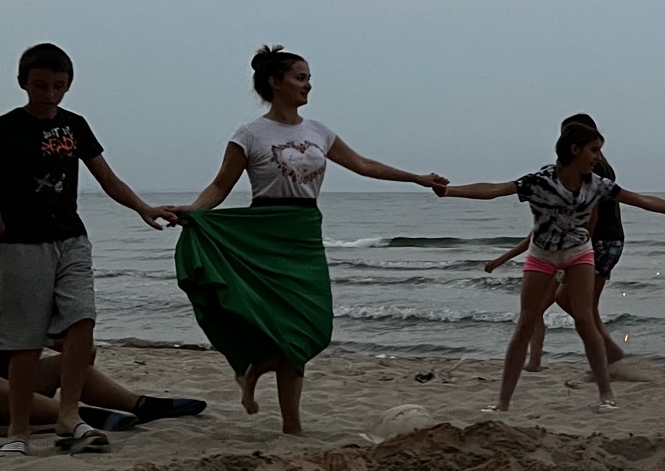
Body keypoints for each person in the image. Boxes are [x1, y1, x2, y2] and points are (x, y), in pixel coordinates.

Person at [156, 46, 447, 436]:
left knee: (311, 324)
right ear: (276, 82)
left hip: (304, 234)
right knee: (279, 327)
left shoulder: (318, 131)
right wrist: (193, 211)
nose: (308, 85)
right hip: (263, 235)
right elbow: (221, 186)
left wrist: (417, 178)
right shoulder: (249, 134)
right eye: (300, 77)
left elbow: (363, 165)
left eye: (309, 78)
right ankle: (292, 427)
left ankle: (257, 369)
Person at [0, 42, 176, 455]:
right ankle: (18, 431)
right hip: (22, 244)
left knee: (83, 321)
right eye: (40, 85)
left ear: (68, 84)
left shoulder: (74, 126)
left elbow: (107, 177)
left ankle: (69, 415)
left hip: (72, 238)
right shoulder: (3, 128)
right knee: (24, 341)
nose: (50, 94)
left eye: (59, 86)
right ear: (23, 83)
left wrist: (142, 208)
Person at [439, 117, 665, 412]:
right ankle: (502, 403)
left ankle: (606, 396)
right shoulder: (540, 181)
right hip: (542, 255)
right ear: (575, 149)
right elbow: (495, 189)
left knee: (585, 321)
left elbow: (640, 200)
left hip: (579, 253)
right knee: (525, 323)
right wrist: (449, 191)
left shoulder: (597, 184)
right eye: (594, 150)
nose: (598, 157)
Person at [0, 297, 205, 437]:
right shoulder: (8, 311)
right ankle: (78, 415)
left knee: (65, 363)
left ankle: (139, 404)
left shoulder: (28, 312)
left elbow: (81, 355)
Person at [483, 115, 629, 373]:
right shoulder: (596, 168)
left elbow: (591, 215)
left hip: (594, 242)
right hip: (604, 241)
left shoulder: (590, 170)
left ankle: (609, 352)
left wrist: (584, 251)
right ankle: (549, 359)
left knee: (572, 304)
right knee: (560, 305)